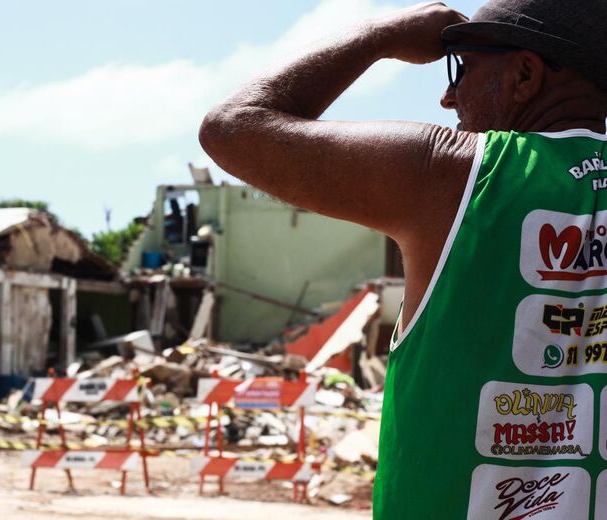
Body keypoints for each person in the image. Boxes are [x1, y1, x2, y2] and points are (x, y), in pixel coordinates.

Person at [199, 1, 607, 518]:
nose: (447, 95)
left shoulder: (457, 174)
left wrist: (383, 34)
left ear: (524, 74)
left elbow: (232, 127)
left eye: (463, 69)